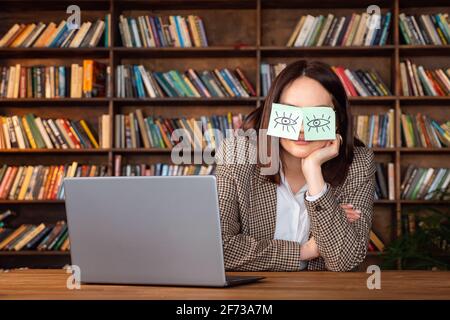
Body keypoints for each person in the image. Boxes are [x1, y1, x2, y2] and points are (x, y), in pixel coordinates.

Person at [215, 60, 376, 271]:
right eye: (289, 114)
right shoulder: (237, 155)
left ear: (336, 120)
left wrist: (315, 179)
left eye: (316, 116)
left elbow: (344, 260)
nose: (301, 128)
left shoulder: (358, 163)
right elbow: (218, 249)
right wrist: (303, 251)